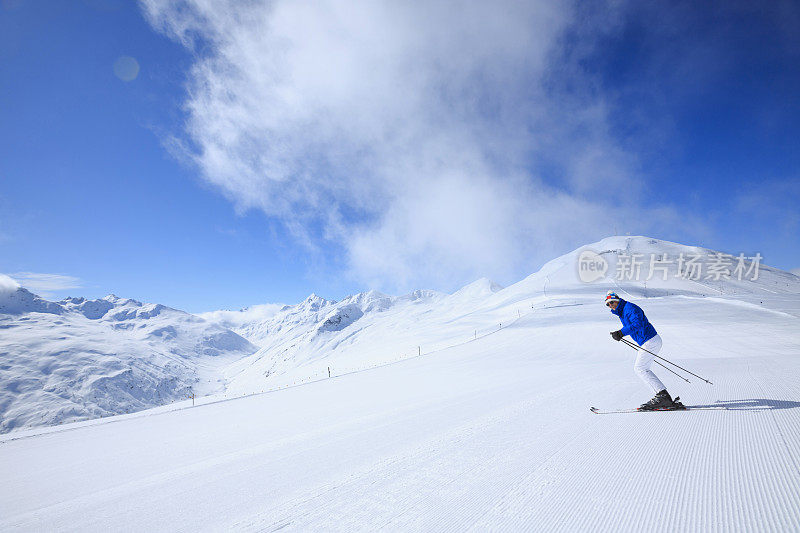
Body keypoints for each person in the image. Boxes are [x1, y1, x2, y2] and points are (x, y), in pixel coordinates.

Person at [606, 290, 682, 410]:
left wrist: (621, 332)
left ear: (617, 300)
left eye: (612, 302)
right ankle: (663, 397)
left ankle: (662, 397)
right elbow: (632, 326)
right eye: (608, 304)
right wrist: (620, 333)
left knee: (640, 368)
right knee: (642, 368)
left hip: (650, 340)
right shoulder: (623, 311)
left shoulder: (629, 308)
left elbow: (638, 324)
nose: (611, 305)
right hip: (648, 341)